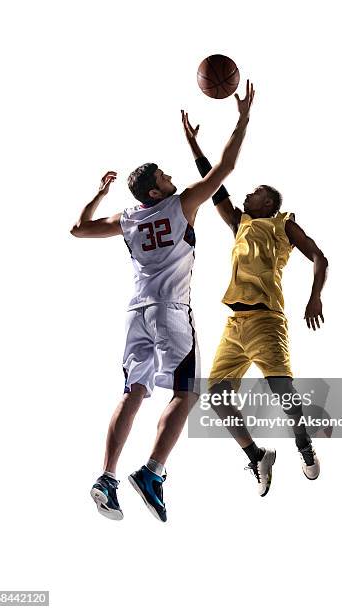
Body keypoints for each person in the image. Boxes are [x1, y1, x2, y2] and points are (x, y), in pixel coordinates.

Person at [70, 81, 255, 522]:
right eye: (165, 178)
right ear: (157, 192)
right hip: (171, 310)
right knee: (186, 392)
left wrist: (99, 193)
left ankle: (106, 476)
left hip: (137, 312)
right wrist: (243, 116)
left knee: (133, 391)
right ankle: (153, 471)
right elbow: (225, 167)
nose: (172, 179)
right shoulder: (180, 204)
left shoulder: (129, 218)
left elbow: (79, 228)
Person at [181, 110, 328, 496]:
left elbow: (319, 257)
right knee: (215, 397)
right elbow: (215, 185)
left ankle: (304, 446)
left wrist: (315, 296)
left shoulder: (282, 225)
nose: (247, 194)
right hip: (234, 325)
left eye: (255, 191)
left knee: (282, 392)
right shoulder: (239, 223)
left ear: (269, 202)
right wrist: (194, 145)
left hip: (266, 320)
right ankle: (256, 456)